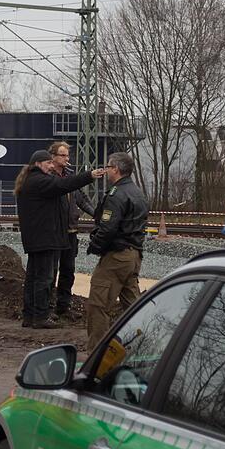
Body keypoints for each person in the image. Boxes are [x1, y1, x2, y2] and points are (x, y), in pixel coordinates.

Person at [14, 150, 101, 329]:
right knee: (44, 278)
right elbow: (65, 184)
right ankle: (41, 316)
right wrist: (89, 175)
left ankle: (29, 316)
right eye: (48, 163)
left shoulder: (29, 180)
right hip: (45, 237)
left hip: (35, 238)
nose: (51, 166)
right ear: (38, 163)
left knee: (33, 277)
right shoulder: (40, 181)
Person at [85, 152, 149, 348]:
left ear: (117, 169)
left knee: (99, 304)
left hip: (116, 257)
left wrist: (94, 246)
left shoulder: (116, 194)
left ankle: (97, 354)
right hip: (134, 255)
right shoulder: (137, 192)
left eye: (109, 167)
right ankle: (145, 345)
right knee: (133, 306)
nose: (106, 170)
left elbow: (108, 228)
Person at [47, 141, 96, 317]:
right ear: (53, 156)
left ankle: (63, 306)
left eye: (68, 155)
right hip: (55, 232)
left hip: (71, 232)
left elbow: (81, 198)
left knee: (68, 271)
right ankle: (48, 307)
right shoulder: (48, 177)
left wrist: (95, 214)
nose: (67, 158)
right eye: (63, 155)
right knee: (51, 272)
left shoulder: (70, 176)